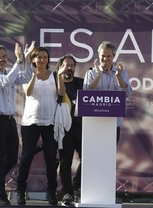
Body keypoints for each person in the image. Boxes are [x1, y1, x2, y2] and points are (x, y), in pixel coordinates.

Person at [0, 41, 35, 206]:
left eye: (4, 56)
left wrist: (28, 59)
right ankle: (1, 196)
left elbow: (25, 77)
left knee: (11, 159)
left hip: (10, 120)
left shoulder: (10, 71)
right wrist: (19, 60)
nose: (2, 59)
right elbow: (5, 82)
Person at [16, 47, 67, 206]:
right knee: (27, 157)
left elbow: (61, 92)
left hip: (50, 122)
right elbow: (28, 92)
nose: (42, 60)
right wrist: (33, 75)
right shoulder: (28, 74)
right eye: (39, 57)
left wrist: (59, 74)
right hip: (30, 122)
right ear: (33, 59)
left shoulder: (54, 75)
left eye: (45, 57)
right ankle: (20, 191)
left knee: (51, 159)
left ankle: (52, 193)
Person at [83, 41, 132, 144]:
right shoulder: (91, 72)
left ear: (113, 56)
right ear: (99, 55)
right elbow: (86, 93)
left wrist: (118, 77)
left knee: (110, 154)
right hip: (94, 121)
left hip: (114, 122)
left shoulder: (121, 72)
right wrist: (98, 75)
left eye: (108, 56)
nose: (105, 59)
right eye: (102, 56)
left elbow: (127, 93)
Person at [57, 54, 84, 207]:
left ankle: (76, 187)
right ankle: (67, 193)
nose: (69, 67)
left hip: (81, 127)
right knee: (65, 162)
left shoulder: (81, 82)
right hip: (64, 128)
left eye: (72, 65)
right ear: (60, 66)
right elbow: (59, 95)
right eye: (66, 65)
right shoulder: (55, 82)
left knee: (87, 159)